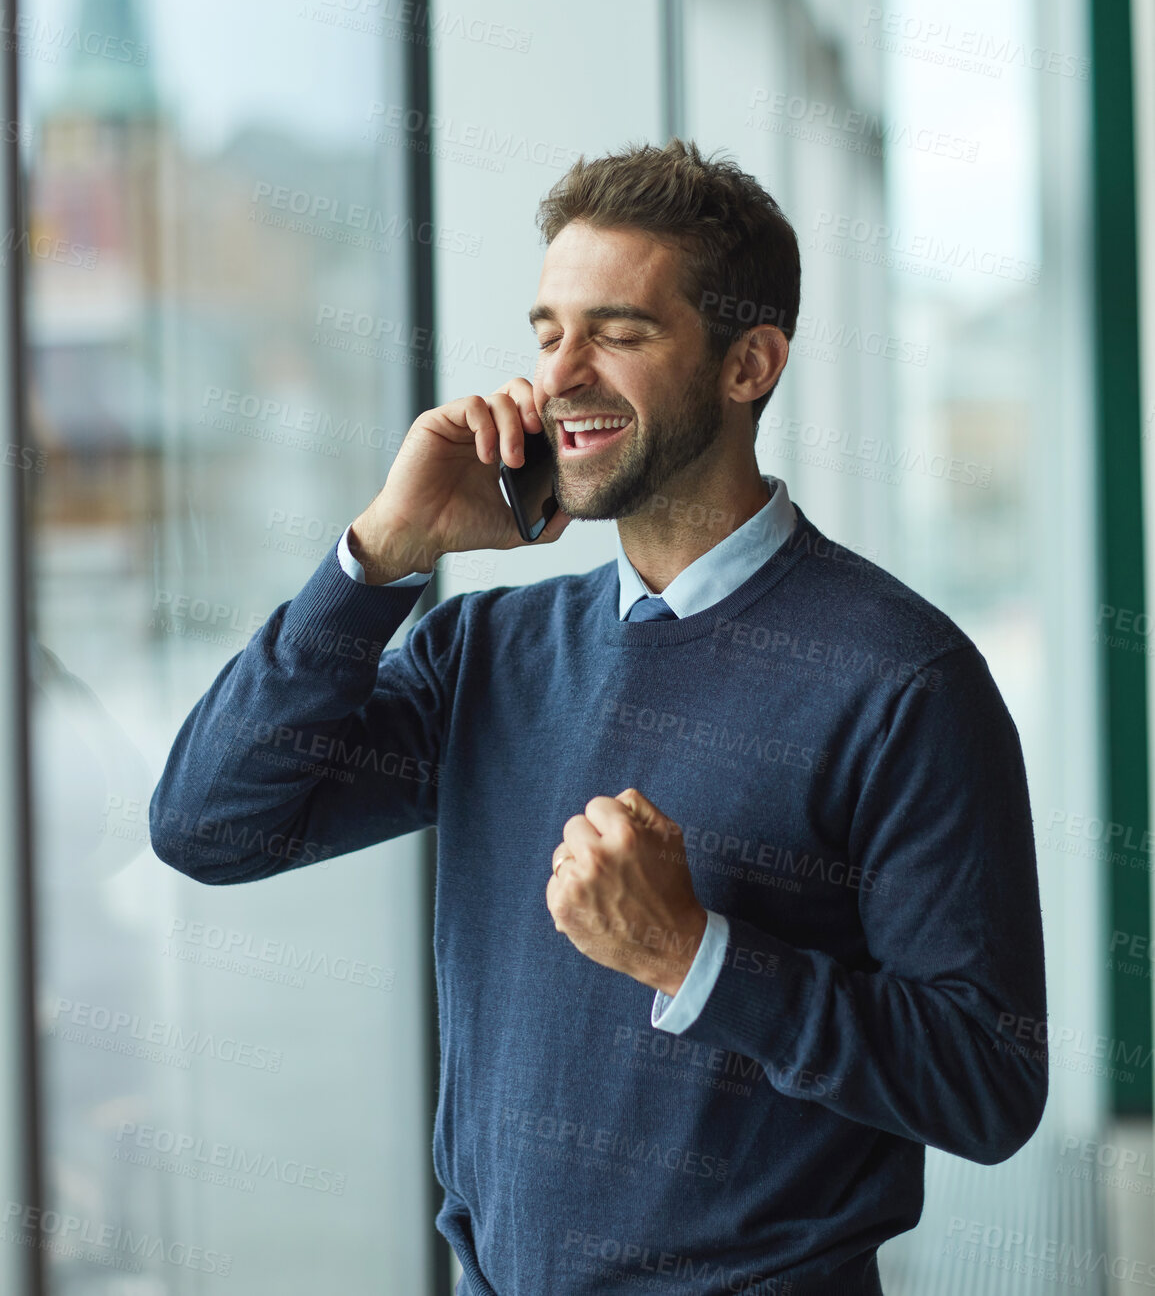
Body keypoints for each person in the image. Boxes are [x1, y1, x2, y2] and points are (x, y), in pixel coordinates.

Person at [150, 137, 1048, 1296]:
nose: (559, 374)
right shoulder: (489, 651)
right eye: (545, 332)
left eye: (619, 333)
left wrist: (695, 954)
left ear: (749, 363)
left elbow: (987, 1083)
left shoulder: (905, 677)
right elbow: (207, 824)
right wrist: (379, 556)